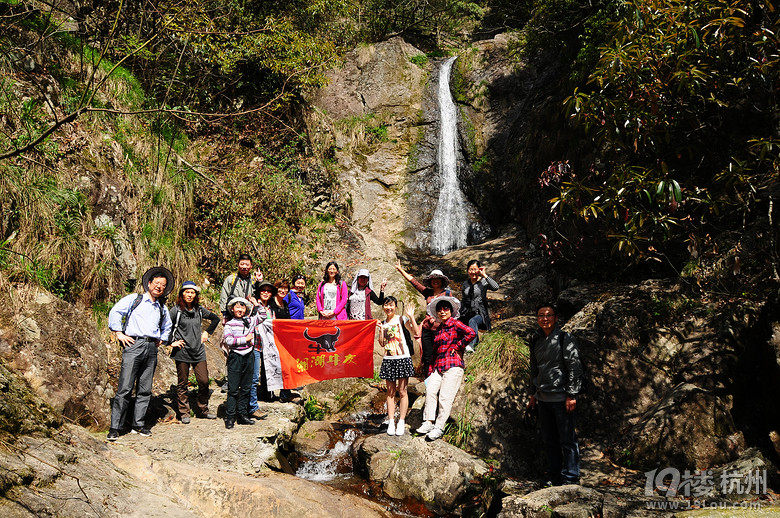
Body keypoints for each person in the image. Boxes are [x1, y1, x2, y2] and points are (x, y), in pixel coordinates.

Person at [107, 266, 174, 440]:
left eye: (163, 285)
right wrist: (119, 333)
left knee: (145, 389)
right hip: (133, 344)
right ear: (149, 283)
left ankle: (138, 424)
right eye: (157, 283)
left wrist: (162, 339)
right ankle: (115, 427)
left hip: (151, 348)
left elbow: (167, 326)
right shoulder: (135, 299)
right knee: (125, 387)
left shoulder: (162, 307)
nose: (159, 287)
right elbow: (116, 312)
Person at [527, 303, 583, 486]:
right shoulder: (536, 340)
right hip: (543, 399)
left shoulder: (564, 338)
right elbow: (534, 369)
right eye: (541, 315)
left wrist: (572, 394)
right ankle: (555, 477)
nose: (545, 318)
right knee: (550, 441)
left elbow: (574, 366)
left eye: (548, 315)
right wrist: (533, 394)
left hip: (562, 399)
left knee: (567, 440)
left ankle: (571, 478)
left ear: (556, 318)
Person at [416, 296, 475, 441]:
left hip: (453, 365)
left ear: (450, 311)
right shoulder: (440, 329)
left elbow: (471, 333)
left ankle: (439, 427)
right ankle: (428, 422)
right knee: (430, 391)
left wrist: (458, 346)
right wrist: (430, 369)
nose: (442, 312)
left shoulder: (455, 324)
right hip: (439, 366)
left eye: (445, 308)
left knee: (445, 397)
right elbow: (435, 351)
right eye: (439, 310)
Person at [168, 281, 221, 423]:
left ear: (196, 295)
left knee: (203, 381)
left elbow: (215, 319)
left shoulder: (199, 310)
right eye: (187, 292)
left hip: (198, 350)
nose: (190, 295)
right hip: (182, 351)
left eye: (192, 292)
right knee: (182, 383)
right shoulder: (176, 311)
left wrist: (207, 333)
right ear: (182, 294)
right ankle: (184, 413)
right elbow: (165, 325)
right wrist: (170, 342)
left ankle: (203, 410)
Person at [394, 260, 451, 375]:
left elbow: (452, 312)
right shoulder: (427, 293)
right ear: (430, 281)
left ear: (442, 281)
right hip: (427, 329)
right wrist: (400, 270)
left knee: (440, 354)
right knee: (427, 357)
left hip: (440, 329)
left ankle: (439, 379)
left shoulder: (447, 294)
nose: (435, 281)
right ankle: (428, 382)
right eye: (433, 279)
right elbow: (414, 282)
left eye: (438, 278)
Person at [378, 296, 419, 436]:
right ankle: (391, 421)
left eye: (391, 305)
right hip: (389, 359)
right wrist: (380, 329)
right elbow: (382, 343)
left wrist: (412, 317)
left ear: (395, 307)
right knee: (390, 392)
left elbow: (416, 333)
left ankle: (401, 421)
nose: (388, 308)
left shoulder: (402, 319)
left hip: (402, 358)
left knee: (402, 391)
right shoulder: (383, 323)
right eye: (386, 305)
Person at [222, 297, 259, 429]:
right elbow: (229, 341)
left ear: (246, 310)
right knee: (233, 389)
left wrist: (256, 304)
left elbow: (263, 316)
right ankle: (230, 416)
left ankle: (243, 415)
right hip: (235, 357)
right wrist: (245, 339)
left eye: (242, 307)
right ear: (232, 309)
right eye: (237, 307)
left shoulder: (249, 321)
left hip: (249, 356)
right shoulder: (229, 324)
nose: (240, 309)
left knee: (246, 387)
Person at [460, 260, 500, 352]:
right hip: (466, 312)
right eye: (471, 269)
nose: (473, 272)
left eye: (475, 269)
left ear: (479, 270)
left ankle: (471, 346)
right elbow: (463, 299)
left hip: (480, 314)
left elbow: (496, 287)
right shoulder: (465, 284)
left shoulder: (483, 282)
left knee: (473, 321)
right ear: (467, 271)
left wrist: (484, 275)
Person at [219, 254, 261, 319]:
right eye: (242, 264)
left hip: (250, 315)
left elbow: (262, 294)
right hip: (232, 315)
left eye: (247, 264)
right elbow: (224, 296)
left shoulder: (254, 280)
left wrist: (260, 281)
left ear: (251, 266)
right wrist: (225, 315)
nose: (244, 267)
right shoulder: (231, 279)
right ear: (238, 265)